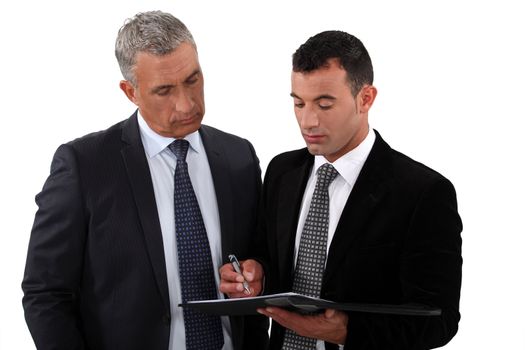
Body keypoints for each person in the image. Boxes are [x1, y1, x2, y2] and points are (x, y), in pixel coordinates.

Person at [22, 10, 268, 350]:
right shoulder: (84, 166)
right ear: (130, 92)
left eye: (193, 80)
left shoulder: (239, 156)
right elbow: (45, 293)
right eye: (164, 90)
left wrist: (258, 275)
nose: (186, 104)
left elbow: (261, 259)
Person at [220, 30, 462, 349]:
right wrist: (255, 275)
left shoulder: (422, 192)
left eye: (324, 104)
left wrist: (345, 331)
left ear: (366, 99)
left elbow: (438, 320)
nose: (308, 121)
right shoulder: (282, 172)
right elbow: (268, 257)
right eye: (299, 103)